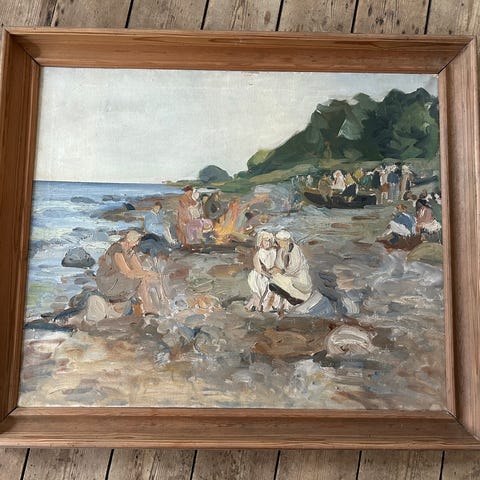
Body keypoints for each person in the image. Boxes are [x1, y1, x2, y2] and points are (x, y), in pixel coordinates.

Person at [96, 230, 162, 315]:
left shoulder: (130, 250)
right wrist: (146, 274)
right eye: (135, 242)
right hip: (108, 282)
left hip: (119, 279)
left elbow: (139, 269)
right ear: (128, 241)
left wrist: (149, 274)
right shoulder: (117, 249)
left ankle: (158, 307)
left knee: (151, 278)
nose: (136, 244)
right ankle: (148, 308)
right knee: (142, 279)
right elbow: (126, 272)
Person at [267, 230, 313, 313]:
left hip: (299, 278)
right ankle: (281, 304)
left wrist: (280, 271)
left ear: (286, 240)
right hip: (288, 276)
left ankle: (295, 300)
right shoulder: (281, 250)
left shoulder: (295, 250)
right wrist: (274, 269)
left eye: (280, 241)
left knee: (280, 281)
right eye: (277, 240)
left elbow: (294, 269)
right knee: (274, 279)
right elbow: (278, 264)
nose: (278, 242)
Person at [245, 231, 276, 312]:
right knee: (264, 285)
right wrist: (269, 275)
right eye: (265, 240)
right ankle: (260, 305)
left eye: (269, 240)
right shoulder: (258, 253)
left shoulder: (273, 252)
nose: (267, 243)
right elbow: (258, 269)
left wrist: (273, 273)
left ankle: (256, 305)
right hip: (258, 275)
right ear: (261, 241)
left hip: (269, 274)